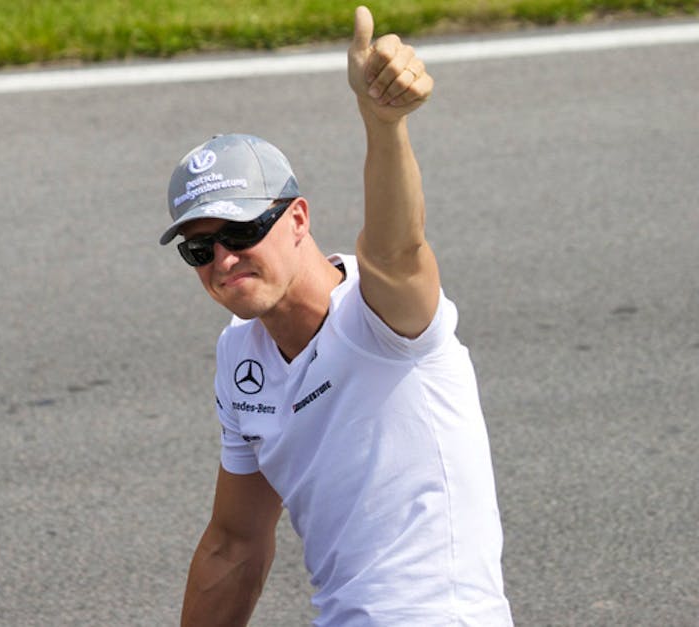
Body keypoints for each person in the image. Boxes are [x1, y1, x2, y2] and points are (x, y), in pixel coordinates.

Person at [160, 6, 512, 626]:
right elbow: (235, 546)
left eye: (241, 232)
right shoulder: (240, 357)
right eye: (199, 248)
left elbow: (397, 250)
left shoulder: (382, 319)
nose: (223, 260)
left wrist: (384, 124)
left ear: (297, 219)